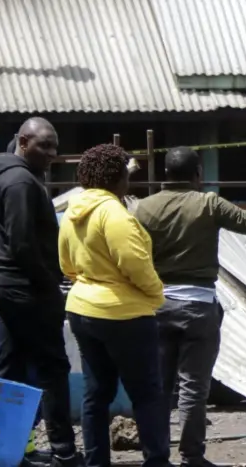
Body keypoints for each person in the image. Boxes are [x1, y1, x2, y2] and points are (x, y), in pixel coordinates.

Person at [135, 146, 246, 467]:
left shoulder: (142, 209)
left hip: (156, 307)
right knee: (193, 388)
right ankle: (192, 457)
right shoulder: (208, 204)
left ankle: (155, 457)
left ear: (166, 174)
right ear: (198, 174)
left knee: (158, 387)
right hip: (198, 309)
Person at [59, 143, 169, 467]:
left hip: (82, 309)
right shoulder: (115, 215)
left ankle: (95, 462)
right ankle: (157, 461)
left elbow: (66, 265)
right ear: (118, 178)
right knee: (146, 393)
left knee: (96, 392)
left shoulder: (72, 212)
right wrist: (156, 296)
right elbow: (135, 264)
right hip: (124, 314)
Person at [0, 117, 80, 467]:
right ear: (23, 142)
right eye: (45, 145)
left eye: (55, 146)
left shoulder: (2, 176)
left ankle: (5, 452)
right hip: (26, 288)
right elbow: (22, 244)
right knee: (53, 367)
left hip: (7, 286)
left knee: (9, 372)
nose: (52, 153)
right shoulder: (21, 182)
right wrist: (49, 285)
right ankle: (64, 450)